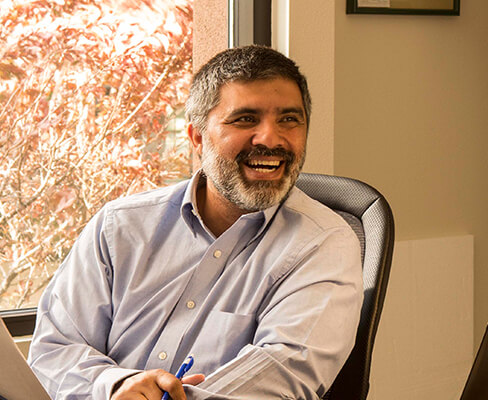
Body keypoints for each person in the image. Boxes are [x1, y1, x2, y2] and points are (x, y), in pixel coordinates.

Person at [27, 45, 363, 400]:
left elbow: (281, 376)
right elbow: (53, 349)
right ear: (197, 138)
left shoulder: (324, 244)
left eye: (289, 120)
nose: (270, 138)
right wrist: (115, 386)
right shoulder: (119, 228)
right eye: (246, 119)